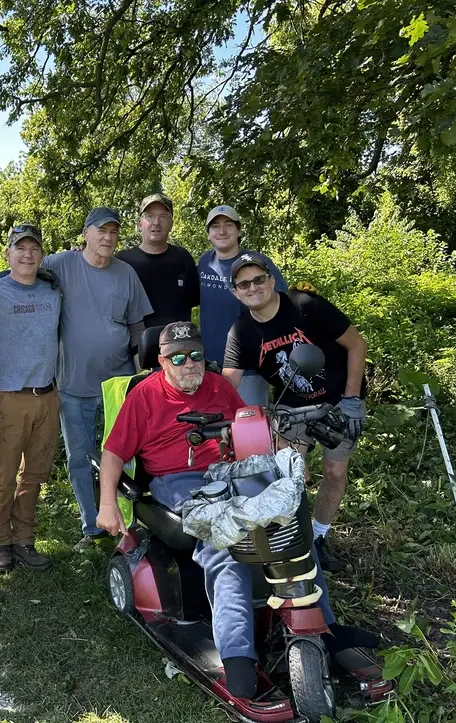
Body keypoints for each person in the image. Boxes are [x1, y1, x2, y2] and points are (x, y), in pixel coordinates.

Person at [96, 322, 376, 698]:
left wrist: (278, 456)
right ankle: (238, 655)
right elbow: (114, 452)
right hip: (177, 481)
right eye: (178, 358)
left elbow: (252, 430)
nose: (189, 364)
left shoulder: (219, 386)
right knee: (225, 547)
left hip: (229, 473)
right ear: (162, 361)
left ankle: (324, 628)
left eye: (195, 355)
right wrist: (107, 503)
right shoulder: (143, 396)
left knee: (291, 529)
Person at [222, 255, 367, 572]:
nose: (253, 288)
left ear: (272, 280)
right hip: (293, 405)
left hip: (340, 397)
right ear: (235, 292)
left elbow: (356, 345)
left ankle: (318, 537)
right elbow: (227, 383)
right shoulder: (242, 331)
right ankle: (291, 539)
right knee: (290, 474)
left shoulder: (305, 305)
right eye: (244, 284)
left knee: (335, 473)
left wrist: (352, 398)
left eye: (259, 279)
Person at [41, 207, 153, 550]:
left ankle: (128, 524)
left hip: (119, 384)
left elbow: (137, 327)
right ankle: (92, 526)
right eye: (101, 231)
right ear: (86, 234)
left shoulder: (126, 273)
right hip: (74, 383)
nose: (108, 237)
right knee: (79, 456)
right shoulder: (60, 264)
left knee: (128, 455)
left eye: (114, 232)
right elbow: (23, 271)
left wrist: (140, 376)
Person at [0, 224, 61, 572]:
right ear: (8, 254)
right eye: (20, 248)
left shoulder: (53, 292)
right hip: (8, 396)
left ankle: (24, 539)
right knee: (5, 475)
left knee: (35, 474)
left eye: (34, 249)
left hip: (47, 395)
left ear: (41, 255)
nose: (27, 255)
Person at [197, 205, 287, 406]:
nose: (222, 231)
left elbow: (283, 305)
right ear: (208, 234)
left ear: (239, 230)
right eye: (215, 226)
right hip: (208, 365)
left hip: (250, 368)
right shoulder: (204, 263)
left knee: (250, 431)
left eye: (228, 225)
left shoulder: (257, 263)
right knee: (215, 431)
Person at [116, 193, 200, 327]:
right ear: (140, 224)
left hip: (179, 344)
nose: (156, 222)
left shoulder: (183, 258)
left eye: (163, 217)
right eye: (150, 216)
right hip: (133, 345)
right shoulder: (121, 261)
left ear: (171, 224)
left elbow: (195, 299)